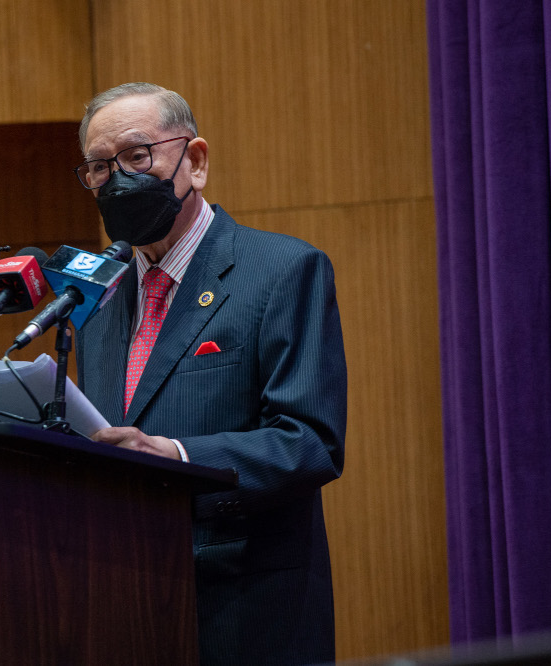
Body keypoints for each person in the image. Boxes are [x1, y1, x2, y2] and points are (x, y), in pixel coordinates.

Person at [73, 82, 347, 665]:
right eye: (99, 167)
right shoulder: (97, 296)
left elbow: (310, 444)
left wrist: (177, 459)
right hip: (125, 610)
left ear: (194, 161)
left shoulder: (282, 270)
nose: (117, 179)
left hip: (246, 611)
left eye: (136, 157)